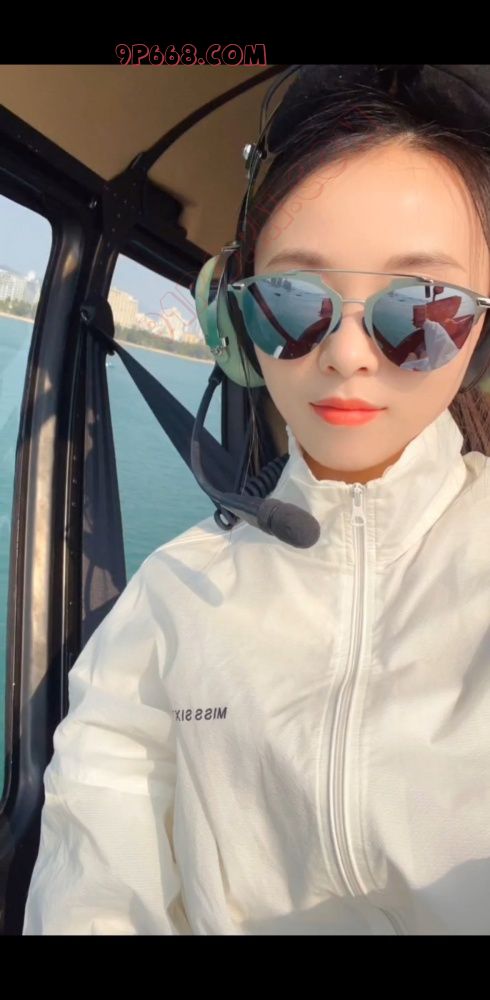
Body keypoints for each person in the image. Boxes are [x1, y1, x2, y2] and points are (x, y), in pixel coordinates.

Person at [23, 65, 490, 935]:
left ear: (480, 336)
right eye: (291, 302)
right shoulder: (171, 600)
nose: (349, 354)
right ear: (236, 322)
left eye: (422, 312)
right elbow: (96, 879)